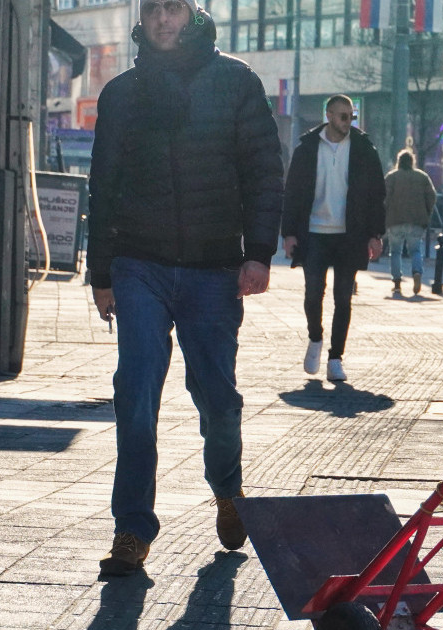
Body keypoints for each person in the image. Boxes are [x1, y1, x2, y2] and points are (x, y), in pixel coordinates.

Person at [86, 0, 283, 577]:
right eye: (153, 10)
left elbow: (263, 170)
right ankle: (131, 529)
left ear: (193, 14)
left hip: (213, 267)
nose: (163, 20)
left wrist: (258, 253)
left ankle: (227, 488)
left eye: (173, 8)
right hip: (139, 264)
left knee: (217, 398)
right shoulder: (122, 94)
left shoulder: (236, 82)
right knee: (136, 392)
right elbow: (103, 185)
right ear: (143, 19)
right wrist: (102, 273)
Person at [282, 95, 386, 381]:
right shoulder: (307, 148)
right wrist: (289, 233)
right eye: (342, 116)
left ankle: (335, 358)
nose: (348, 121)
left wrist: (375, 234)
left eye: (351, 116)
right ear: (328, 115)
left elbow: (377, 194)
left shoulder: (363, 149)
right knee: (313, 293)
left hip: (349, 235)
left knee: (343, 297)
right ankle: (315, 338)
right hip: (314, 232)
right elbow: (292, 192)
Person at [384, 148, 438, 294]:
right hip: (416, 220)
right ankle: (417, 272)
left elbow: (384, 198)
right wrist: (426, 212)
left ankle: (397, 282)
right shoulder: (422, 177)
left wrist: (384, 215)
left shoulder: (392, 177)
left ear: (399, 162)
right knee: (415, 250)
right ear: (412, 161)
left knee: (395, 251)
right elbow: (432, 196)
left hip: (395, 220)